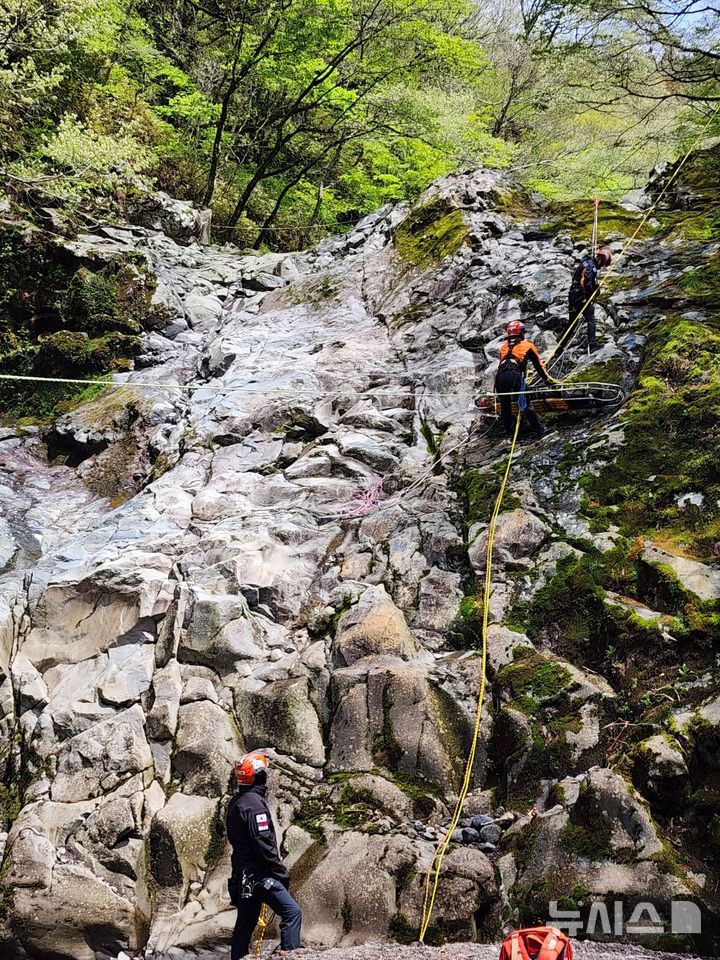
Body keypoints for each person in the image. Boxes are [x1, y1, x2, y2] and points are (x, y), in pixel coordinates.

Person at [227, 752, 302, 959]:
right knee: (292, 912)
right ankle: (291, 955)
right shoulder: (254, 806)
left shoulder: (237, 802)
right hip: (259, 877)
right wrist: (280, 873)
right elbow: (263, 845)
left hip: (242, 878)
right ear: (259, 777)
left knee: (244, 927)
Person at [495, 320, 551, 440]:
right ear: (521, 332)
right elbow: (538, 366)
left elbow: (501, 364)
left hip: (500, 377)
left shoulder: (503, 347)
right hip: (514, 375)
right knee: (526, 404)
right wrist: (547, 380)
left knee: (505, 405)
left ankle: (508, 430)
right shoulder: (528, 345)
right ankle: (539, 431)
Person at [568, 247, 612, 351]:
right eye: (602, 264)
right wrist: (593, 292)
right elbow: (586, 284)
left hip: (573, 295)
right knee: (591, 318)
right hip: (580, 297)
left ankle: (560, 346)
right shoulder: (591, 267)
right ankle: (592, 345)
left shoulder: (587, 262)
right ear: (601, 260)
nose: (601, 267)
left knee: (572, 323)